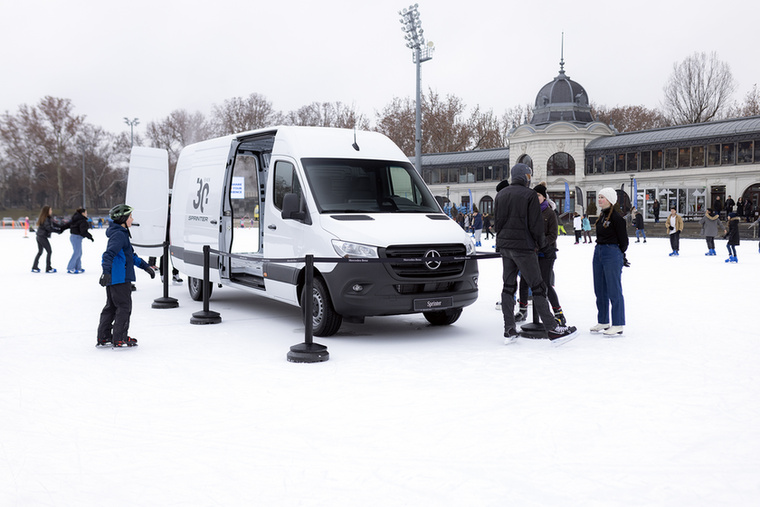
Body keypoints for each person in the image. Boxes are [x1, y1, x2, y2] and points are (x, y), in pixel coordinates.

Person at [493, 163, 577, 345]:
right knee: (538, 287)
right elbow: (536, 225)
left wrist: (500, 243)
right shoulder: (529, 195)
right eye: (529, 176)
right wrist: (542, 245)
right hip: (524, 248)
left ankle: (509, 328)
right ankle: (552, 329)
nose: (530, 179)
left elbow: (497, 222)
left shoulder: (501, 194)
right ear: (525, 177)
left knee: (508, 287)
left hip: (506, 247)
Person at [96, 204, 155, 348]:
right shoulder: (119, 235)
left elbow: (131, 256)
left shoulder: (120, 233)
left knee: (111, 307)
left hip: (115, 278)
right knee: (124, 307)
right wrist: (106, 272)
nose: (132, 219)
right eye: (130, 217)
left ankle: (104, 336)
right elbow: (108, 254)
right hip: (120, 278)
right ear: (123, 219)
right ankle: (120, 338)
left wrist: (146, 266)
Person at [591, 188, 629, 337]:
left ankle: (618, 323)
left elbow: (624, 240)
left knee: (614, 289)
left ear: (610, 200)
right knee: (599, 289)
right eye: (599, 197)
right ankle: (603, 321)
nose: (599, 199)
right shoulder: (601, 216)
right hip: (598, 251)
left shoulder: (617, 218)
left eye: (602, 197)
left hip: (612, 252)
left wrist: (619, 254)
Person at [31, 205, 66, 273]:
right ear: (47, 211)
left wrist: (61, 226)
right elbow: (49, 228)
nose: (51, 211)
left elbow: (53, 224)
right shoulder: (46, 218)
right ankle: (48, 268)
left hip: (39, 236)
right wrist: (58, 231)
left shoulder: (45, 218)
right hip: (42, 237)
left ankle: (35, 267)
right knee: (49, 251)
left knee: (40, 252)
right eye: (50, 210)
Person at [66, 208, 94, 274]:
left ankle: (78, 267)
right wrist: (90, 237)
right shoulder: (82, 220)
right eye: (86, 213)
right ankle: (70, 268)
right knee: (76, 252)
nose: (87, 214)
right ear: (83, 213)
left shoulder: (77, 219)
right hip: (76, 237)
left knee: (79, 252)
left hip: (76, 237)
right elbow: (83, 231)